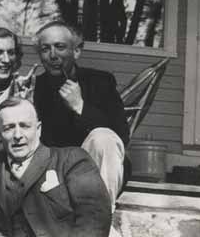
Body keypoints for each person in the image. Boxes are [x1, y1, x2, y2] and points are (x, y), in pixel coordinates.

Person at [0, 97, 111, 237]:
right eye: (8, 128)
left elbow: (94, 220)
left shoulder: (71, 160)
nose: (17, 135)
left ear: (38, 129)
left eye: (25, 126)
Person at [33, 20, 130, 208]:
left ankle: (100, 220)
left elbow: (120, 136)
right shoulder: (35, 87)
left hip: (95, 170)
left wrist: (80, 106)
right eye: (45, 49)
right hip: (52, 172)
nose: (52, 55)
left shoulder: (100, 82)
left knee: (103, 137)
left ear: (75, 51)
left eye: (60, 47)